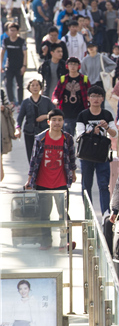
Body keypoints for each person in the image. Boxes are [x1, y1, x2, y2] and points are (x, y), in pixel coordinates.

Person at [25, 108, 76, 251]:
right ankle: (46, 241)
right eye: (54, 120)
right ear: (48, 122)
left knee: (63, 213)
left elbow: (72, 158)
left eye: (59, 120)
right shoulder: (40, 138)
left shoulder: (67, 139)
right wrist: (29, 179)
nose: (57, 123)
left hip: (61, 182)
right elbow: (34, 160)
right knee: (44, 214)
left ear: (63, 122)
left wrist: (73, 173)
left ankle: (64, 241)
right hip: (42, 182)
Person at [75, 85, 116, 215]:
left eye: (99, 96)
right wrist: (92, 131)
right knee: (86, 186)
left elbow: (115, 134)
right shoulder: (83, 115)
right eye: (93, 96)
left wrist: (107, 128)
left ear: (103, 99)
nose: (96, 99)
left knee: (104, 185)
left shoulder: (107, 114)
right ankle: (88, 213)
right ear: (88, 98)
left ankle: (105, 213)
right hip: (86, 155)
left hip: (102, 155)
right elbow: (80, 134)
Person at [15, 80, 56, 161]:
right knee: (31, 156)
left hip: (44, 132)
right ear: (29, 88)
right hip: (29, 132)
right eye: (32, 85)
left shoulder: (46, 101)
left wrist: (45, 116)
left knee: (44, 155)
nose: (35, 87)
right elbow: (20, 118)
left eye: (37, 85)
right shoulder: (25, 102)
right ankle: (32, 172)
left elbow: (55, 114)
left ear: (40, 87)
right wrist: (17, 129)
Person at [52, 56, 90, 136]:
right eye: (71, 64)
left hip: (81, 113)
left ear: (78, 66)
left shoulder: (84, 79)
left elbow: (90, 93)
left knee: (82, 137)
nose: (73, 66)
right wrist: (55, 100)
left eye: (75, 64)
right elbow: (56, 93)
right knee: (68, 137)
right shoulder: (63, 79)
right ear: (67, 66)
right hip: (67, 113)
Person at [0, 22, 26, 104]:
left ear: (18, 31)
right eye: (10, 30)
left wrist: (24, 66)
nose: (12, 32)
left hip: (19, 65)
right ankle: (11, 101)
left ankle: (20, 102)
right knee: (8, 84)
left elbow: (25, 54)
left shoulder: (21, 41)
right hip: (9, 65)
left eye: (14, 30)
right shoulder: (6, 41)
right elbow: (2, 52)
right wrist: (1, 65)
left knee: (20, 85)